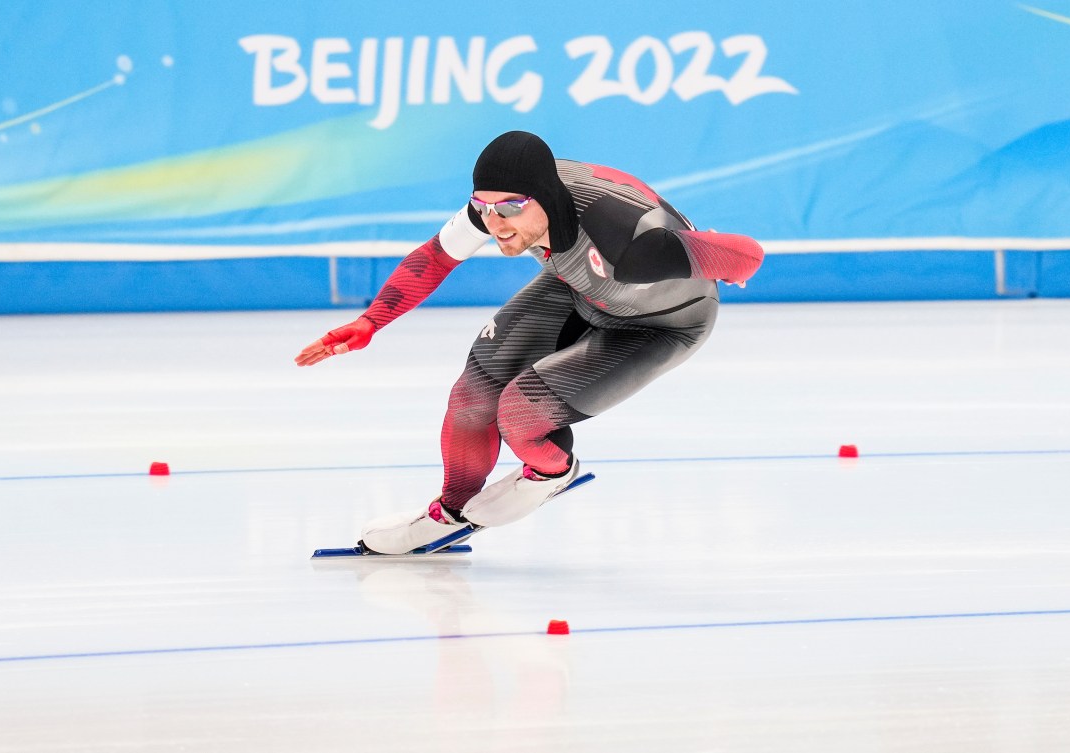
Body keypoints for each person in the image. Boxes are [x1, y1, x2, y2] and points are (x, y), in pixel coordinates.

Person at [295, 131, 764, 554]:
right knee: (471, 399)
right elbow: (435, 258)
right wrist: (371, 321)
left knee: (522, 412)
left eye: (511, 209)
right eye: (484, 208)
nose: (496, 224)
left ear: (545, 198)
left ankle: (553, 472)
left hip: (658, 324)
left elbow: (749, 256)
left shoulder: (624, 243)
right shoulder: (500, 203)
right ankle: (451, 514)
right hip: (577, 288)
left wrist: (715, 256)